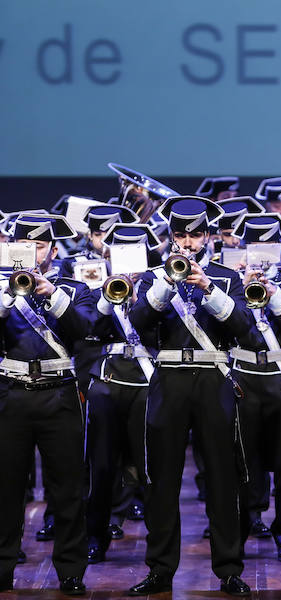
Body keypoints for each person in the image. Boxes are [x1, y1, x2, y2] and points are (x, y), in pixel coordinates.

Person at [126, 196, 259, 596]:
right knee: (162, 479)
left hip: (213, 376)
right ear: (171, 238)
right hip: (169, 377)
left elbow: (245, 329)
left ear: (208, 236)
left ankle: (229, 569)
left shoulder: (225, 276)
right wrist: (168, 283)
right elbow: (137, 325)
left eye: (195, 235)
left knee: (222, 476)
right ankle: (161, 569)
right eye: (181, 235)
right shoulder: (153, 277)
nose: (188, 243)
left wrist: (207, 285)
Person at [0, 213, 92, 595]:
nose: (34, 253)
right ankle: (3, 568)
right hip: (12, 393)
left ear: (53, 250)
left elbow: (86, 331)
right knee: (5, 489)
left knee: (68, 488)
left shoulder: (74, 285)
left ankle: (71, 570)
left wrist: (51, 294)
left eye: (40, 245)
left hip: (59, 392)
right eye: (26, 245)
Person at [84, 223, 164, 565]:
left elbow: (160, 328)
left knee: (151, 469)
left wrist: (139, 292)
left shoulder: (159, 283)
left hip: (147, 382)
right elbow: (87, 329)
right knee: (101, 467)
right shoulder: (93, 280)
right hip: (108, 381)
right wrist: (108, 293)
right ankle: (95, 538)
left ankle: (158, 546)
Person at [229, 213, 281, 561]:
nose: (262, 254)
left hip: (280, 379)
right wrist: (244, 288)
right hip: (244, 378)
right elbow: (233, 329)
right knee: (245, 462)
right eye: (255, 246)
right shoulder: (231, 283)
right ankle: (243, 527)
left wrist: (273, 294)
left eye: (268, 246)